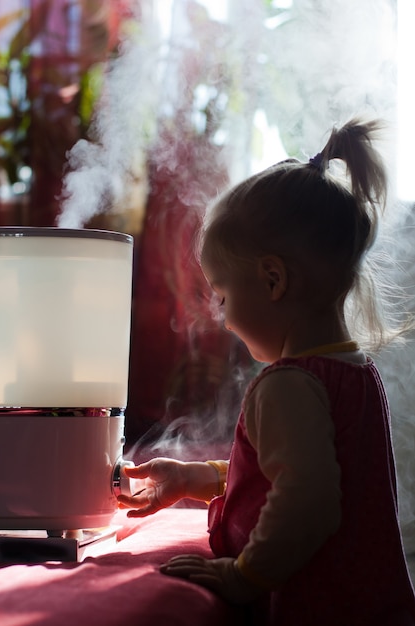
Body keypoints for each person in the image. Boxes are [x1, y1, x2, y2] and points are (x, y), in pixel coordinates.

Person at [118, 118, 415, 625]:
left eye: (225, 295)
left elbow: (307, 503)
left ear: (273, 279)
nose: (222, 316)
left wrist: (244, 575)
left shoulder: (289, 386)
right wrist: (191, 478)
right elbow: (278, 474)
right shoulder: (354, 371)